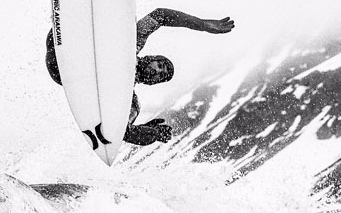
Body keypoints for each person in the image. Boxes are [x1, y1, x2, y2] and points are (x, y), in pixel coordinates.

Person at [45, 8, 235, 146]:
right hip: (63, 43)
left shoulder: (131, 101)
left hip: (64, 73)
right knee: (124, 23)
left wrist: (150, 132)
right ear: (150, 57)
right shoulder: (133, 44)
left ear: (152, 83)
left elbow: (122, 131)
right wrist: (201, 25)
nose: (159, 71)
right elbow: (161, 15)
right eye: (160, 65)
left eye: (161, 76)